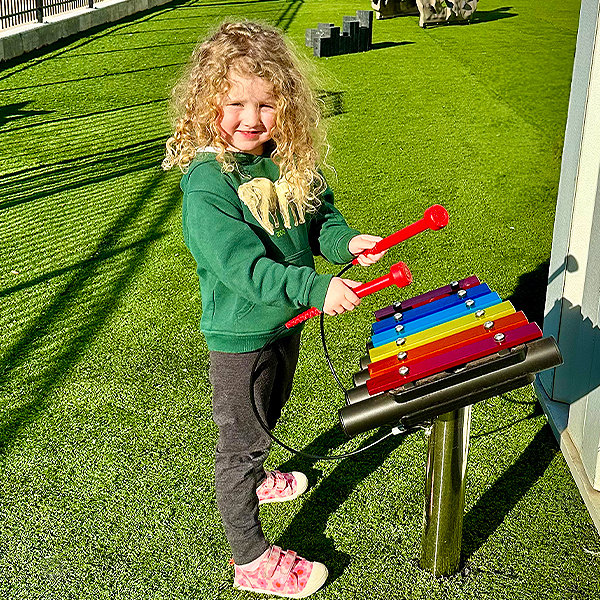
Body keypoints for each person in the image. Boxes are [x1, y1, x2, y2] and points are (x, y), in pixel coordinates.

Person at [163, 21, 385, 598]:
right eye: (234, 103)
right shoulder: (208, 185)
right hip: (241, 335)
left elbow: (320, 219)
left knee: (271, 410)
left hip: (285, 324)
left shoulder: (284, 161)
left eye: (266, 104)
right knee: (240, 445)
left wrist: (348, 245)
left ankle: (262, 478)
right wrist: (315, 289)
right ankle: (250, 558)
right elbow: (245, 270)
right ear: (206, 103)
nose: (250, 118)